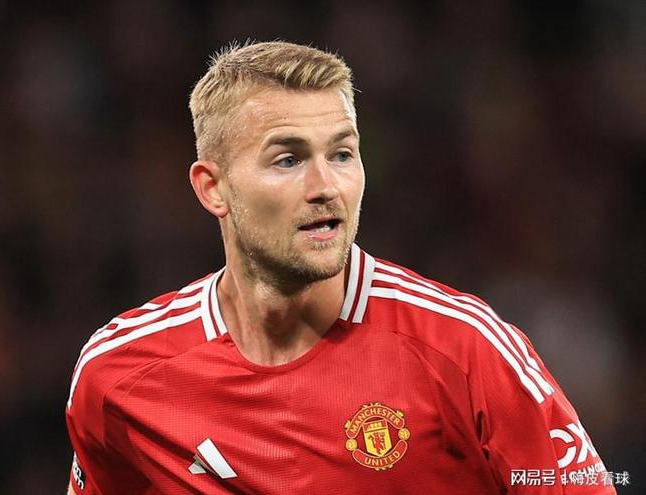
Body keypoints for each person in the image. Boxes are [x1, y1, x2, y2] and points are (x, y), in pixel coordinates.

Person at [65, 41, 617, 495]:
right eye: (288, 159)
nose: (325, 186)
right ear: (213, 189)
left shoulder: (465, 349)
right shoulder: (121, 375)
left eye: (342, 154)